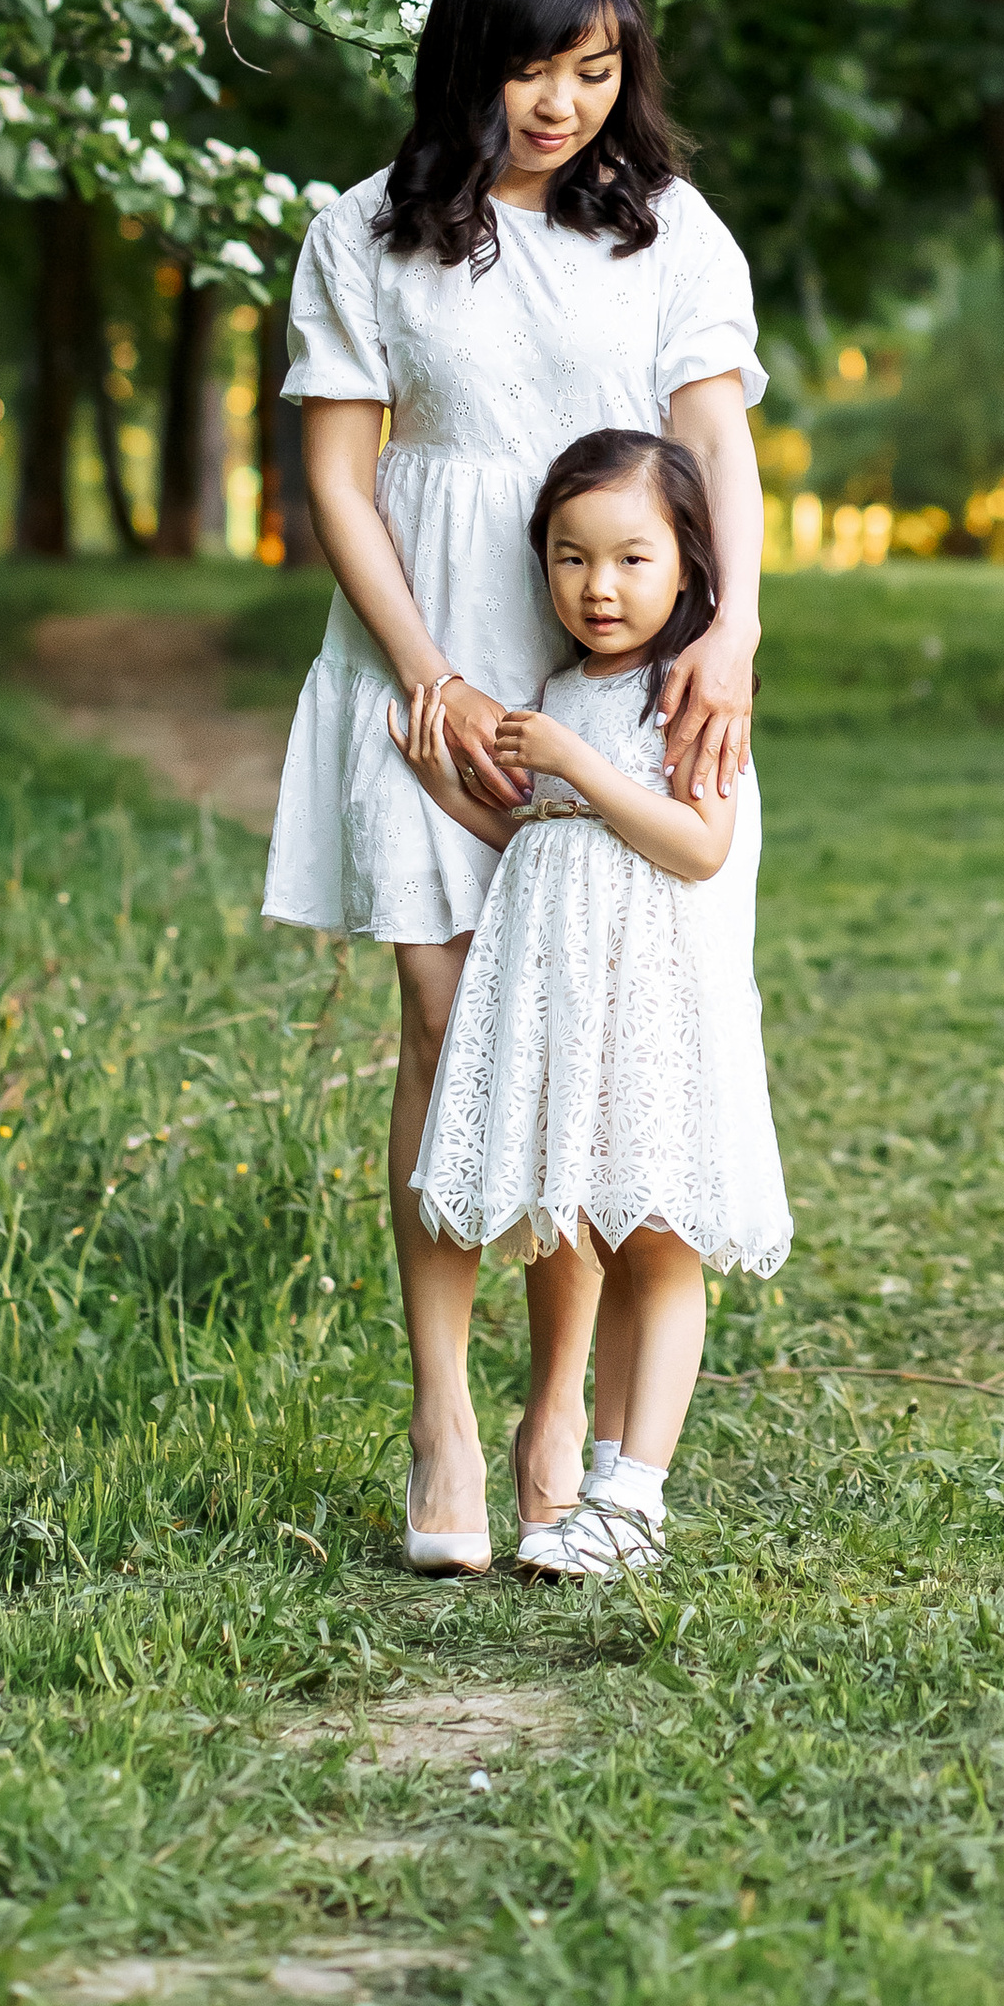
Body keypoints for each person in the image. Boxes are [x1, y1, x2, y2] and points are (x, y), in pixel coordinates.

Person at [261, 0, 765, 1573]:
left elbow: (713, 443)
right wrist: (429, 674)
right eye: (536, 67)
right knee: (443, 1020)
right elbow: (339, 472)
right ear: (469, 58)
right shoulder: (366, 233)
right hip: (426, 655)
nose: (563, 104)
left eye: (597, 69)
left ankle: (563, 1406)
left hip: (611, 666)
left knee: (574, 1031)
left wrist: (738, 627)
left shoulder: (668, 233)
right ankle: (444, 1423)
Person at [388, 425, 789, 1577]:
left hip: (658, 1010)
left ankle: (633, 1497)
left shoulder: (690, 692)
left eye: (629, 558)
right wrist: (448, 786)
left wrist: (578, 759)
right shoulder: (567, 687)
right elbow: (543, 839)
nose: (598, 586)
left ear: (688, 565)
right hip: (580, 1011)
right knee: (608, 1230)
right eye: (569, 558)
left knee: (660, 1241)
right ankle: (601, 1489)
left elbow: (697, 844)